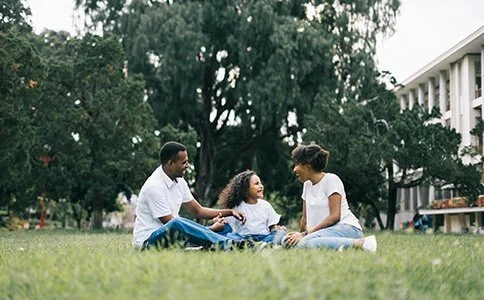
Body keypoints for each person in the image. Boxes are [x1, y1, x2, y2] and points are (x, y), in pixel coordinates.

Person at [132, 141, 248, 251]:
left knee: (224, 228)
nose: (187, 165)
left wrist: (230, 212)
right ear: (171, 164)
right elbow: (172, 225)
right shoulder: (153, 187)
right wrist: (211, 229)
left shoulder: (179, 181)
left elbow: (198, 211)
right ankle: (228, 244)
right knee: (176, 222)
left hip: (174, 236)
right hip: (149, 242)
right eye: (184, 162)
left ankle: (243, 242)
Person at [284, 143, 377, 253]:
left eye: (297, 164)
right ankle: (336, 246)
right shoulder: (307, 185)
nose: (294, 169)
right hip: (323, 232)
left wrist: (305, 235)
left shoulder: (331, 180)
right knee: (292, 242)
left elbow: (335, 216)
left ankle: (361, 243)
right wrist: (299, 236)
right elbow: (304, 219)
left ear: (307, 165)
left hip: (347, 228)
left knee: (304, 243)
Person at [216, 170, 286, 245]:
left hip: (264, 237)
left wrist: (277, 230)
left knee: (281, 233)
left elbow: (272, 226)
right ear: (245, 189)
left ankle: (262, 244)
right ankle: (255, 245)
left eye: (260, 183)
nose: (261, 186)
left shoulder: (266, 205)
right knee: (231, 236)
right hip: (243, 238)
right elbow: (227, 226)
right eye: (256, 184)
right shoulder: (236, 208)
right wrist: (220, 221)